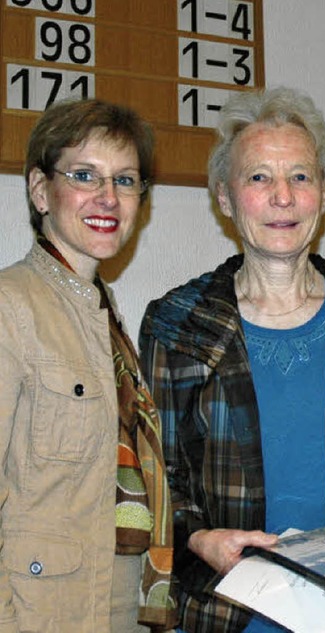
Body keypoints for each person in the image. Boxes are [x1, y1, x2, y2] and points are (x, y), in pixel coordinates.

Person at [139, 86, 325, 633]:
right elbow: (160, 473)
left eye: (300, 176)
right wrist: (197, 537)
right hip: (222, 612)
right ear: (225, 198)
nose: (282, 197)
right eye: (258, 178)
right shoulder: (177, 324)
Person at [0, 99, 176, 632]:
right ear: (39, 190)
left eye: (125, 180)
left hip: (118, 605)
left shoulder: (107, 316)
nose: (108, 198)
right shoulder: (10, 307)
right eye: (85, 176)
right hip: (40, 614)